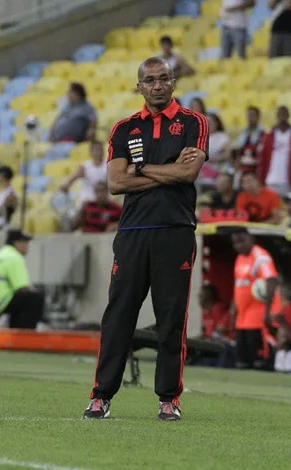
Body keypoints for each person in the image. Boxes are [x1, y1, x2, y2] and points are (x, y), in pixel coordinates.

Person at [84, 57, 208, 421]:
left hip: (175, 230)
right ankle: (101, 395)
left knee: (171, 319)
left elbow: (189, 173)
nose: (157, 85)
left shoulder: (193, 122)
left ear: (173, 82)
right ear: (139, 86)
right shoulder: (124, 129)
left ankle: (168, 399)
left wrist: (139, 168)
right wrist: (168, 171)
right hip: (133, 232)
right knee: (118, 316)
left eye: (163, 78)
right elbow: (116, 183)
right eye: (149, 80)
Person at [0, 230, 45, 328]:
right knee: (35, 299)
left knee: (23, 299)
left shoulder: (2, 253)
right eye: (25, 242)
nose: (28, 246)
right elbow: (22, 287)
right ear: (16, 243)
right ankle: (23, 335)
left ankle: (17, 331)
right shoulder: (14, 257)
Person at [231, 228, 280, 370]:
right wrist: (234, 308)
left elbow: (271, 280)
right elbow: (239, 285)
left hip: (257, 316)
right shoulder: (240, 258)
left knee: (258, 360)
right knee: (241, 359)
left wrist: (267, 311)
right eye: (235, 243)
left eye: (242, 241)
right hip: (242, 316)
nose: (239, 245)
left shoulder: (260, 257)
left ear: (250, 238)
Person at [257, 106, 291, 195]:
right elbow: (262, 158)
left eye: (284, 114)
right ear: (276, 116)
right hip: (270, 180)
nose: (282, 116)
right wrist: (261, 178)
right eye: (280, 114)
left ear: (289, 115)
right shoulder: (268, 136)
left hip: (289, 182)